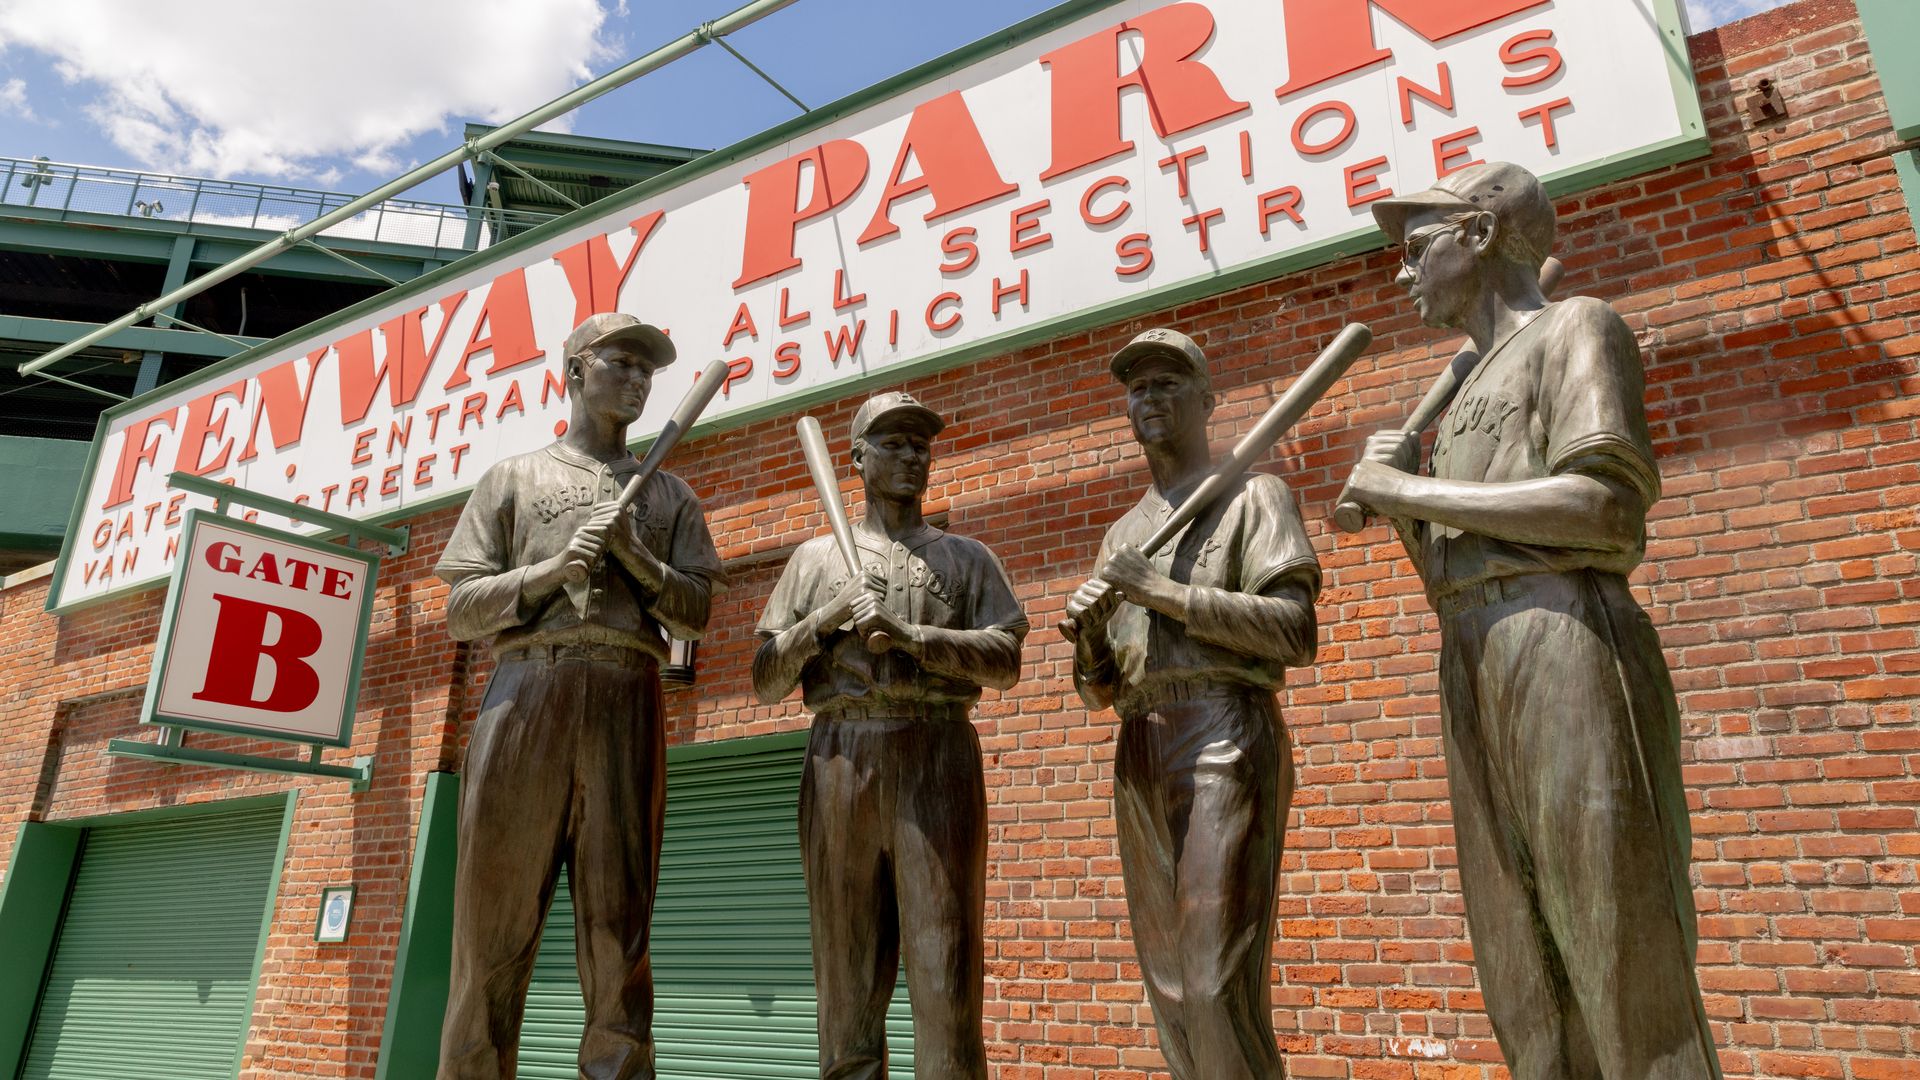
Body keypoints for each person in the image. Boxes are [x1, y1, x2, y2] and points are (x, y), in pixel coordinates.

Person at [1337, 161, 1721, 1079]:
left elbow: (1606, 513)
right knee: (1518, 958)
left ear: (1477, 236)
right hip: (1471, 652)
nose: (1401, 273)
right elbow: (1449, 579)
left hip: (1568, 638)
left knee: (1620, 946)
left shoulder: (1576, 327)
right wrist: (1406, 513)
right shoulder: (1466, 389)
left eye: (1416, 249)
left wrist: (1409, 485)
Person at [434, 312, 726, 1080]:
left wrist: (635, 558)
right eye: (619, 362)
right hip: (526, 691)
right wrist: (548, 570)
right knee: (491, 932)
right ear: (574, 370)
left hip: (627, 693)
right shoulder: (514, 478)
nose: (635, 379)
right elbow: (461, 609)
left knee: (618, 934)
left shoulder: (668, 495)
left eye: (646, 370)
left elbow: (696, 610)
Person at [1064, 329, 1320, 1080]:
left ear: (1207, 400)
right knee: (1171, 988)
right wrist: (1087, 641)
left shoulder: (1253, 497)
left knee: (1214, 983)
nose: (1149, 398)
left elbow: (1296, 631)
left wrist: (1163, 592)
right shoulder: (1125, 531)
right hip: (1139, 743)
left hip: (1223, 730)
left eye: (1168, 383)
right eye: (1137, 388)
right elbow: (1101, 691)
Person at [752, 391, 1027, 1080]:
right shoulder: (816, 562)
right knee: (846, 979)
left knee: (946, 974)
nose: (911, 455)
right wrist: (825, 620)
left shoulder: (968, 559)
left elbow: (1006, 661)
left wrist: (916, 639)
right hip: (843, 754)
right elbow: (764, 678)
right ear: (857, 458)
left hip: (938, 752)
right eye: (893, 443)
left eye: (920, 445)